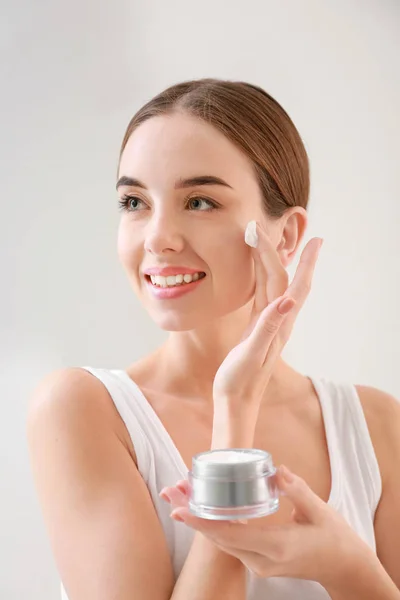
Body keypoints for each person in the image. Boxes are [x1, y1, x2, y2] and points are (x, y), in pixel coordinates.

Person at [27, 78, 400, 600]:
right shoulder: (82, 411)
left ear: (286, 235)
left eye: (199, 201)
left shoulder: (376, 426)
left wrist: (347, 567)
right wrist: (234, 419)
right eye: (134, 202)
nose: (157, 237)